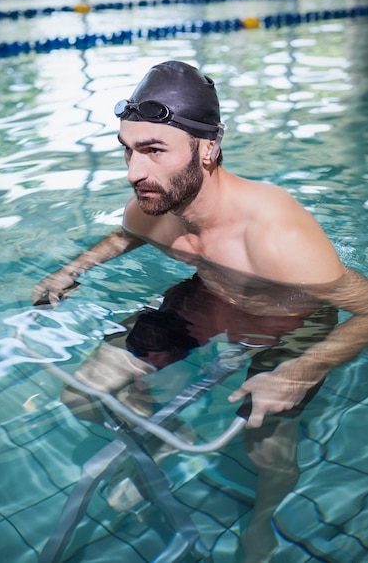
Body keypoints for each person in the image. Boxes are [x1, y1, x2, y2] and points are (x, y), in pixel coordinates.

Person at [32, 60, 368, 429]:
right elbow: (125, 236)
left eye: (154, 150)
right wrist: (69, 271)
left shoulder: (273, 233)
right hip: (208, 299)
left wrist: (301, 372)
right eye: (128, 149)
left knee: (266, 448)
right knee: (82, 394)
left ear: (208, 149)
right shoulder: (153, 206)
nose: (133, 172)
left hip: (293, 321)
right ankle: (170, 439)